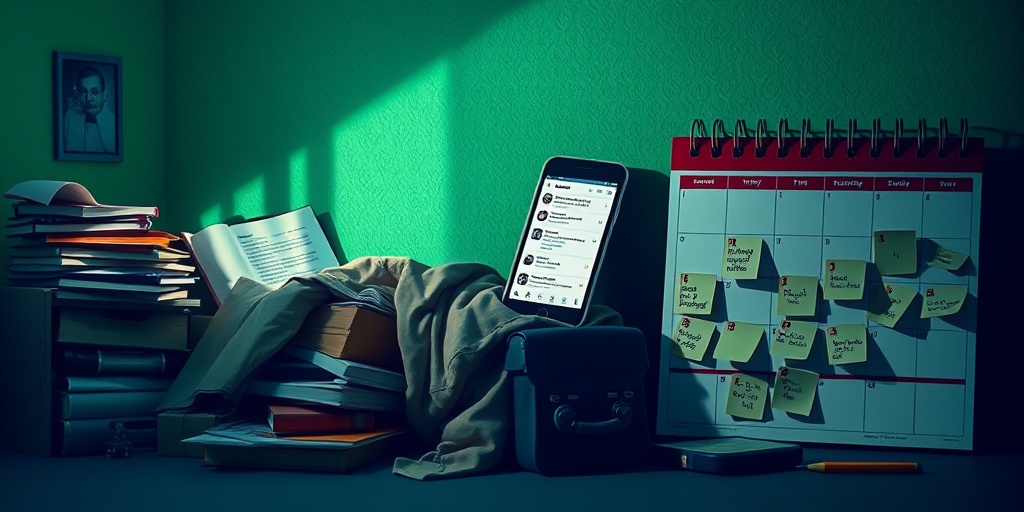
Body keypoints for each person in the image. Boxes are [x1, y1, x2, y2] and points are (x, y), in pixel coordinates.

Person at [63, 66, 115, 153]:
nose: (89, 98)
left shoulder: (115, 123)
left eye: (95, 92)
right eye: (83, 92)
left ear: (104, 95)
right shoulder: (68, 117)